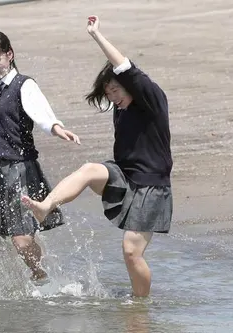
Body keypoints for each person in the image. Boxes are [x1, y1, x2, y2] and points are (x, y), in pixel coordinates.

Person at [21, 16, 173, 297]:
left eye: (116, 90)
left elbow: (124, 66)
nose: (113, 97)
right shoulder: (122, 108)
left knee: (131, 251)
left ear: (131, 86)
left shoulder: (152, 97)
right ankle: (46, 206)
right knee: (90, 169)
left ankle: (140, 307)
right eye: (108, 92)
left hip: (152, 186)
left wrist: (96, 35)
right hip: (126, 175)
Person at [0, 31, 80, 280]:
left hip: (18, 171)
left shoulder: (23, 84)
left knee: (21, 241)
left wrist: (56, 127)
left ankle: (40, 275)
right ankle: (15, 283)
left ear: (9, 55)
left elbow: (41, 113)